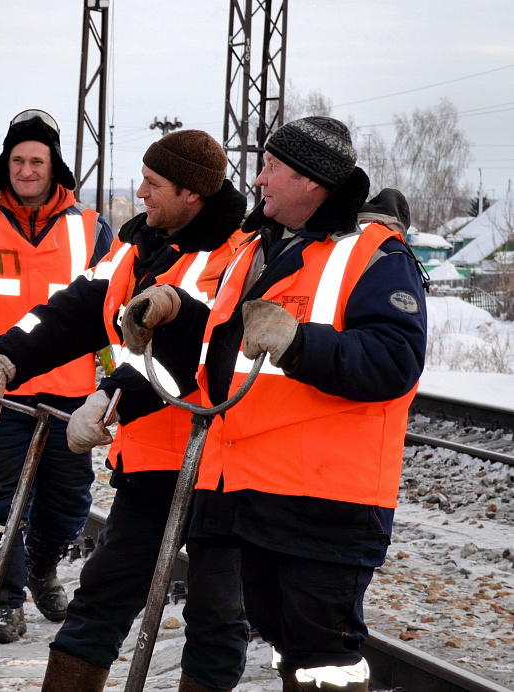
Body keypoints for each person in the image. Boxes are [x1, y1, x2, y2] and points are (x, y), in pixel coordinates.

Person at [123, 116, 426, 692]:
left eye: (271, 167)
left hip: (325, 501)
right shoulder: (255, 249)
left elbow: (394, 361)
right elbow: (224, 348)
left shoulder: (376, 256)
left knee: (322, 663)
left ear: (311, 181)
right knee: (278, 642)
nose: (258, 179)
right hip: (246, 490)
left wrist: (299, 343)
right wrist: (175, 313)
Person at [0, 130, 248, 689]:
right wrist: (3, 361)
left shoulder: (239, 256)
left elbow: (200, 359)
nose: (140, 193)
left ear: (193, 194)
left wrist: (111, 396)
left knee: (215, 617)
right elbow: (69, 312)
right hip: (151, 466)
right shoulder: (138, 249)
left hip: (222, 472)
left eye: (153, 184)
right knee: (102, 597)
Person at [0, 109, 113, 643]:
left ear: (54, 166)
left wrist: (112, 384)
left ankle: (40, 569)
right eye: (17, 160)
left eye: (37, 160)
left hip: (71, 391)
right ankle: (4, 601)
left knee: (69, 503)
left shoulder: (90, 227)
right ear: (4, 164)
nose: (27, 169)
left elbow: (109, 311)